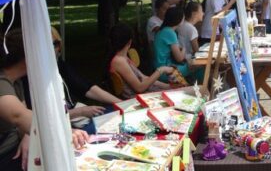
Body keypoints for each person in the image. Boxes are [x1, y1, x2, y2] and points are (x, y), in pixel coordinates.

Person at [0, 29, 89, 171]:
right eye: (41, 52)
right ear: (28, 56)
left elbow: (24, 121)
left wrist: (29, 136)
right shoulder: (2, 82)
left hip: (17, 151)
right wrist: (64, 131)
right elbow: (18, 116)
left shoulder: (15, 81)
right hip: (7, 157)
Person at [108, 23, 174, 98]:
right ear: (130, 42)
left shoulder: (123, 57)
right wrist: (161, 70)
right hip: (136, 100)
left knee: (175, 90)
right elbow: (140, 88)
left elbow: (143, 78)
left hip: (143, 95)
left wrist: (166, 86)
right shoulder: (119, 61)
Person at [154, 7, 195, 82]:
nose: (184, 19)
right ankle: (199, 88)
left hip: (159, 69)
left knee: (194, 64)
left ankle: (193, 85)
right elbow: (179, 58)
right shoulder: (170, 32)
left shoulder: (163, 30)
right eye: (183, 17)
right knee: (199, 65)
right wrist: (184, 49)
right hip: (165, 72)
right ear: (178, 19)